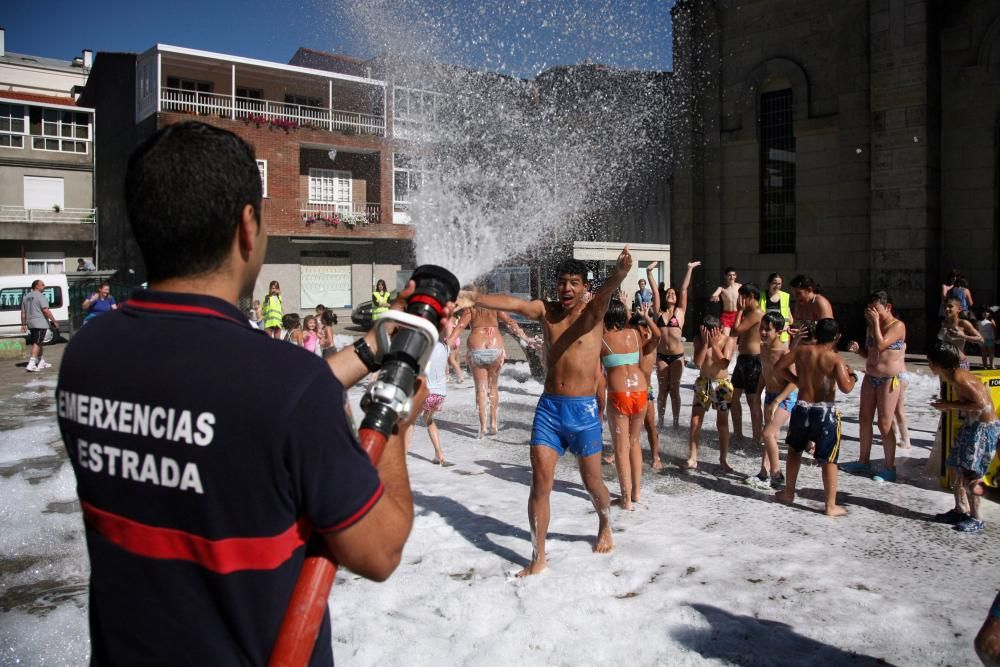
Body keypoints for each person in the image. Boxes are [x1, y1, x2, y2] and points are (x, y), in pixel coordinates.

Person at [55, 121, 436, 664]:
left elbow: (241, 399)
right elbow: (379, 552)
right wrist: (397, 419)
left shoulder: (87, 355)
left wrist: (373, 350)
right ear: (246, 226)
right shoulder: (286, 385)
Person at [459, 248, 633, 576]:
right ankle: (538, 556)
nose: (567, 288)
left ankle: (605, 524)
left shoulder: (592, 313)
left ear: (584, 287)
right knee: (540, 483)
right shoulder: (546, 310)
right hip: (550, 409)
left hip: (582, 412)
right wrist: (476, 298)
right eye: (562, 282)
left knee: (592, 482)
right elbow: (515, 304)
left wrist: (621, 273)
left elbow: (606, 292)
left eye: (574, 283)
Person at [773, 318, 858, 517]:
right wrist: (853, 376)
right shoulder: (835, 359)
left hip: (802, 408)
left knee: (795, 450)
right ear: (837, 337)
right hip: (824, 412)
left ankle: (788, 493)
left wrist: (797, 381)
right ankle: (830, 505)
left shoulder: (802, 351)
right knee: (829, 459)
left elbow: (779, 367)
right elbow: (846, 388)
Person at [927, 341, 999, 534]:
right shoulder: (951, 375)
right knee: (953, 466)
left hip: (983, 429)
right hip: (972, 426)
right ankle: (961, 509)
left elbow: (982, 405)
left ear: (939, 363)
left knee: (971, 474)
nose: (929, 365)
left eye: (930, 362)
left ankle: (977, 518)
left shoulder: (960, 378)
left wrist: (950, 405)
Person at [841, 291, 907, 482]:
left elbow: (881, 345)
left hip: (889, 380)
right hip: (871, 377)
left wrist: (876, 323)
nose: (871, 313)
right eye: (869, 309)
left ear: (888, 307)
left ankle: (889, 467)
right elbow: (872, 353)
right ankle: (863, 460)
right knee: (864, 418)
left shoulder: (897, 326)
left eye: (875, 309)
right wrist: (858, 350)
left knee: (885, 423)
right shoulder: (872, 326)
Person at [452, 284, 529, 438]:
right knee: (493, 387)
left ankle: (482, 427)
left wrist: (448, 341)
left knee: (481, 388)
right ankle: (494, 423)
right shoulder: (494, 304)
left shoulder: (471, 307)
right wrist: (525, 337)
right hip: (496, 346)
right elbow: (510, 321)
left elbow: (461, 325)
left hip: (477, 347)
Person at [602, 297, 650, 510]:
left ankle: (626, 500)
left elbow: (596, 374)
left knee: (621, 448)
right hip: (640, 390)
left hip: (619, 392)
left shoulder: (603, 340)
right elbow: (639, 361)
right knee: (635, 442)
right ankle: (637, 492)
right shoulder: (635, 334)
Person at [684, 314, 734, 472]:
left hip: (722, 386)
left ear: (720, 329)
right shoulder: (699, 339)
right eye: (708, 332)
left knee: (722, 423)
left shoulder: (728, 340)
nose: (712, 335)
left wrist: (715, 345)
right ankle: (693, 457)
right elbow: (698, 363)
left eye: (715, 332)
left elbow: (725, 363)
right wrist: (706, 343)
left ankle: (723, 459)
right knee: (695, 421)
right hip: (703, 383)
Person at [656, 260, 700, 428]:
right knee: (662, 391)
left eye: (673, 294)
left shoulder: (680, 312)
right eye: (668, 293)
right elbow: (654, 290)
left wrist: (689, 269)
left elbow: (684, 289)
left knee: (674, 390)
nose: (671, 295)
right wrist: (649, 274)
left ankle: (675, 422)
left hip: (677, 357)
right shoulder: (659, 313)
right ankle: (660, 421)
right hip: (661, 355)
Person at [403, 328, 451, 466]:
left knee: (409, 421)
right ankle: (439, 454)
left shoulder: (422, 349)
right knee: (429, 420)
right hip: (440, 394)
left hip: (426, 392)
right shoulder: (444, 347)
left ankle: (403, 455)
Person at [729, 284, 765, 444]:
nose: (739, 300)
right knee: (733, 397)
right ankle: (738, 434)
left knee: (753, 400)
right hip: (743, 359)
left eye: (742, 296)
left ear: (750, 296)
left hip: (753, 360)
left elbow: (736, 331)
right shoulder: (750, 312)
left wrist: (740, 310)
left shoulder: (756, 313)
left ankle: (757, 437)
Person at [20, 279, 59, 373]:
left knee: (39, 342)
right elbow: (45, 310)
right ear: (36, 286)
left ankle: (41, 361)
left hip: (31, 323)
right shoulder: (40, 296)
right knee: (37, 343)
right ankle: (31, 364)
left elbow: (23, 313)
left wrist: (24, 324)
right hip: (40, 323)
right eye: (42, 285)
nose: (44, 286)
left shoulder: (26, 297)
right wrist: (54, 320)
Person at [938, 295, 982, 370]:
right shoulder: (944, 323)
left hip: (959, 363)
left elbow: (980, 339)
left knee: (959, 382)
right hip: (945, 362)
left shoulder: (963, 323)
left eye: (950, 306)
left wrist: (963, 336)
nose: (946, 309)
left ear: (959, 309)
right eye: (945, 307)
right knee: (943, 382)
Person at [788, 275, 833, 345]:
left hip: (819, 348)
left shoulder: (820, 303)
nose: (796, 298)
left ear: (809, 290)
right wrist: (796, 331)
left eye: (798, 293)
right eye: (794, 295)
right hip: (803, 347)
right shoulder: (799, 303)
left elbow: (828, 331)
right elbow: (797, 325)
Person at [709, 266, 741, 356]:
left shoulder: (740, 287)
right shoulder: (722, 288)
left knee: (734, 338)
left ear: (736, 276)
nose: (732, 277)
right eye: (729, 275)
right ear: (725, 276)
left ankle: (730, 357)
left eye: (733, 275)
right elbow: (712, 297)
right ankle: (721, 356)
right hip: (726, 315)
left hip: (736, 315)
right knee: (725, 337)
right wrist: (715, 297)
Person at [759, 273, 793, 343]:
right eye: (774, 283)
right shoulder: (761, 296)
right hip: (766, 333)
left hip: (781, 333)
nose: (777, 286)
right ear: (769, 283)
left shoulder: (785, 296)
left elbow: (790, 319)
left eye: (779, 284)